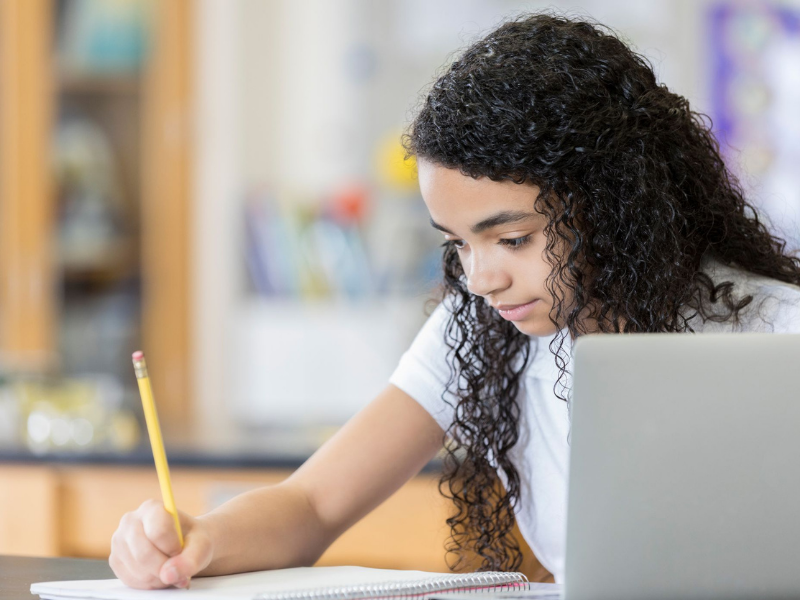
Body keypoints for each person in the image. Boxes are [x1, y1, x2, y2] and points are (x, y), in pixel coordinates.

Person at [109, 13, 800, 589]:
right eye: (459, 245)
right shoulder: (483, 329)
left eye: (514, 239)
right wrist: (201, 537)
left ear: (614, 207)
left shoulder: (777, 335)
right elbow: (313, 502)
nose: (481, 278)